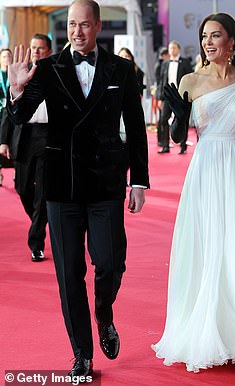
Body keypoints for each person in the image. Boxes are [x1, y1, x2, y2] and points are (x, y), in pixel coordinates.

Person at [7, 0, 149, 379]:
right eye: (71, 24)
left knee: (109, 263)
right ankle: (82, 354)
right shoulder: (49, 69)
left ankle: (104, 315)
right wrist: (16, 90)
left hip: (106, 183)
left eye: (84, 25)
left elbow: (135, 129)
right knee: (69, 274)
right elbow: (21, 116)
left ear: (97, 26)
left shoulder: (121, 69)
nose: (76, 31)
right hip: (62, 185)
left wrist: (139, 181)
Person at [152, 13, 235, 372]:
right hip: (205, 172)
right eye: (204, 37)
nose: (208, 42)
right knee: (205, 251)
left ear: (233, 42)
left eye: (216, 35)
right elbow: (178, 138)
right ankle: (210, 332)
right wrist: (179, 118)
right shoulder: (189, 81)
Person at [0, 34, 52, 262]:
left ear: (49, 51)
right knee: (22, 190)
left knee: (42, 194)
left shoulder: (55, 74)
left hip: (49, 138)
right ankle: (39, 221)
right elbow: (7, 110)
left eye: (41, 48)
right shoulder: (20, 73)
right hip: (24, 137)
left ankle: (36, 242)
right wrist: (3, 140)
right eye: (34, 48)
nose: (37, 52)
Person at [156, 40, 193, 154]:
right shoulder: (165, 63)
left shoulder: (185, 62)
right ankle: (165, 145)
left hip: (181, 95)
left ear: (178, 49)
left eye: (174, 48)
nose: (172, 50)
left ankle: (183, 146)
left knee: (183, 120)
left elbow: (190, 78)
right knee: (163, 120)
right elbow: (162, 80)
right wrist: (159, 96)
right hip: (168, 95)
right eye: (170, 48)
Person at [0, 48, 12, 186]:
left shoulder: (14, 73)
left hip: (11, 113)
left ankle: (16, 170)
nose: (6, 58)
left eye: (8, 55)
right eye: (3, 56)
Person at [154, 47, 169, 146]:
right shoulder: (160, 66)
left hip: (162, 94)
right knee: (162, 119)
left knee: (162, 119)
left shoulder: (163, 64)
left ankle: (161, 140)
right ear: (164, 55)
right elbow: (159, 83)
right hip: (161, 95)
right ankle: (161, 140)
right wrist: (159, 98)